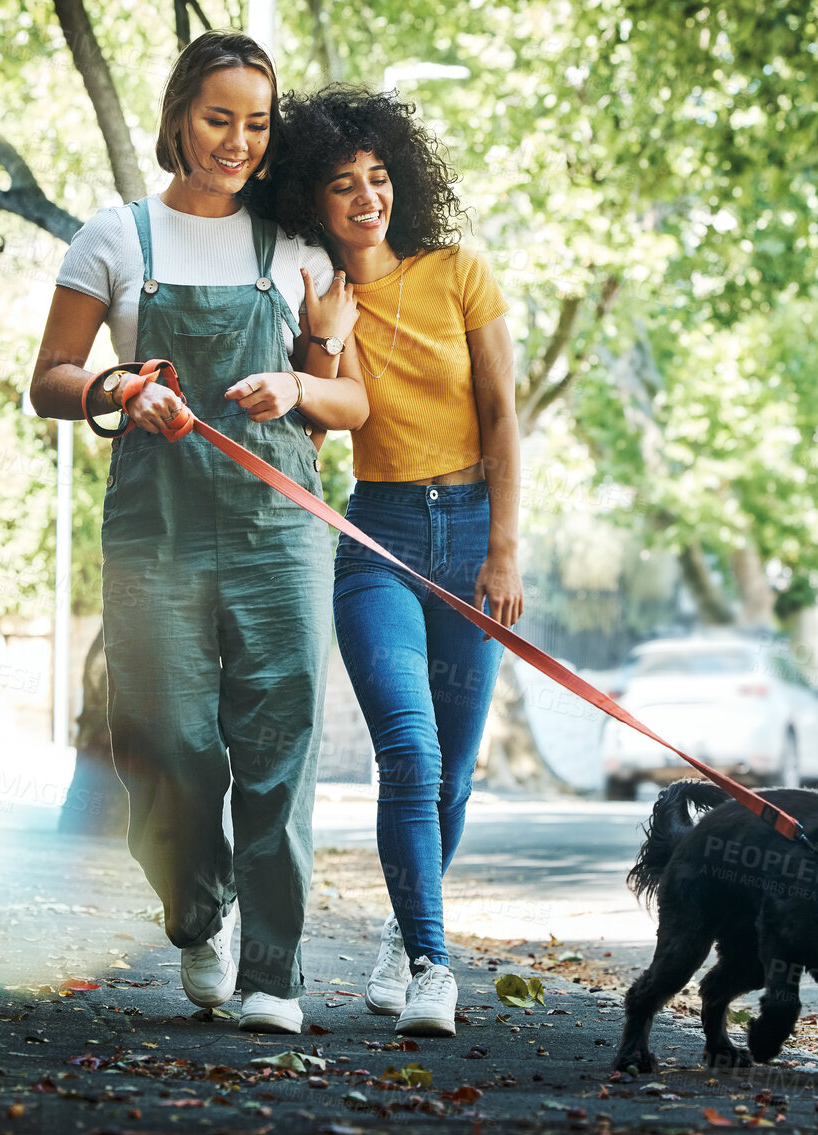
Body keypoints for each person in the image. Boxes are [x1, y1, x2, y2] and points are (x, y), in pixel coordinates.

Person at [27, 32, 367, 1036]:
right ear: (180, 114)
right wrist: (121, 385)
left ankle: (275, 971)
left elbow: (349, 399)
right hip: (156, 528)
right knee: (165, 739)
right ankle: (197, 906)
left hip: (278, 531)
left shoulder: (299, 243)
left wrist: (299, 382)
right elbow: (48, 376)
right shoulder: (116, 236)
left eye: (257, 124)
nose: (237, 142)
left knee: (279, 746)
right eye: (219, 119)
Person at [269, 87, 523, 1037]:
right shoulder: (323, 297)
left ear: (400, 185)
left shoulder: (459, 271)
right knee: (408, 754)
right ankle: (431, 962)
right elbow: (337, 418)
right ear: (314, 201)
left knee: (452, 775)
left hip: (469, 537)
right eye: (342, 185)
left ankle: (399, 934)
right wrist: (324, 334)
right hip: (378, 539)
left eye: (378, 178)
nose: (365, 197)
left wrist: (502, 548)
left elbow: (500, 414)